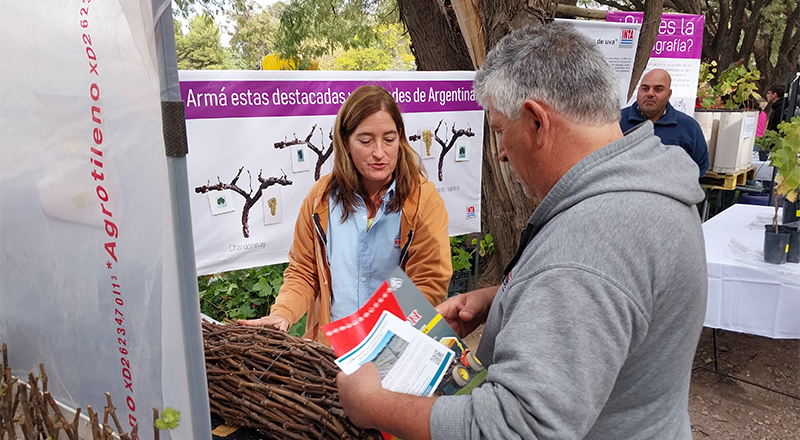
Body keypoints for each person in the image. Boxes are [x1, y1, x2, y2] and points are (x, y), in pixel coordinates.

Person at [336, 23, 708, 440]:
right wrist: (506, 297)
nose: (499, 152)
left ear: (536, 122)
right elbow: (619, 302)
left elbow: (515, 429)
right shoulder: (650, 186)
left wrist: (373, 404)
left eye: (498, 130)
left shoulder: (586, 247)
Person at [238, 85, 452, 344]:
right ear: (345, 143)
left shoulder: (423, 199)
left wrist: (381, 343)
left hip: (394, 346)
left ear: (401, 139)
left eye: (389, 138)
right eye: (365, 141)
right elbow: (304, 271)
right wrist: (283, 313)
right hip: (332, 349)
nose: (379, 152)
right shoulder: (321, 197)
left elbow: (429, 280)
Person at [620, 69, 710, 176]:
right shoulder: (616, 122)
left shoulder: (689, 127)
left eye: (658, 89)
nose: (650, 94)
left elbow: (700, 166)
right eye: (645, 88)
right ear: (639, 91)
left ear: (669, 94)